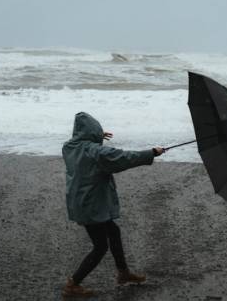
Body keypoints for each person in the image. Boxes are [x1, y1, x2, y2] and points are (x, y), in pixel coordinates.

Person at [61, 112, 165, 298]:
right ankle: (73, 284)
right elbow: (123, 158)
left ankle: (123, 273)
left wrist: (96, 137)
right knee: (100, 247)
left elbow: (85, 147)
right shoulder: (96, 152)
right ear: (92, 132)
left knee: (113, 231)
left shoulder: (69, 147)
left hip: (81, 201)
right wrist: (151, 153)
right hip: (91, 205)